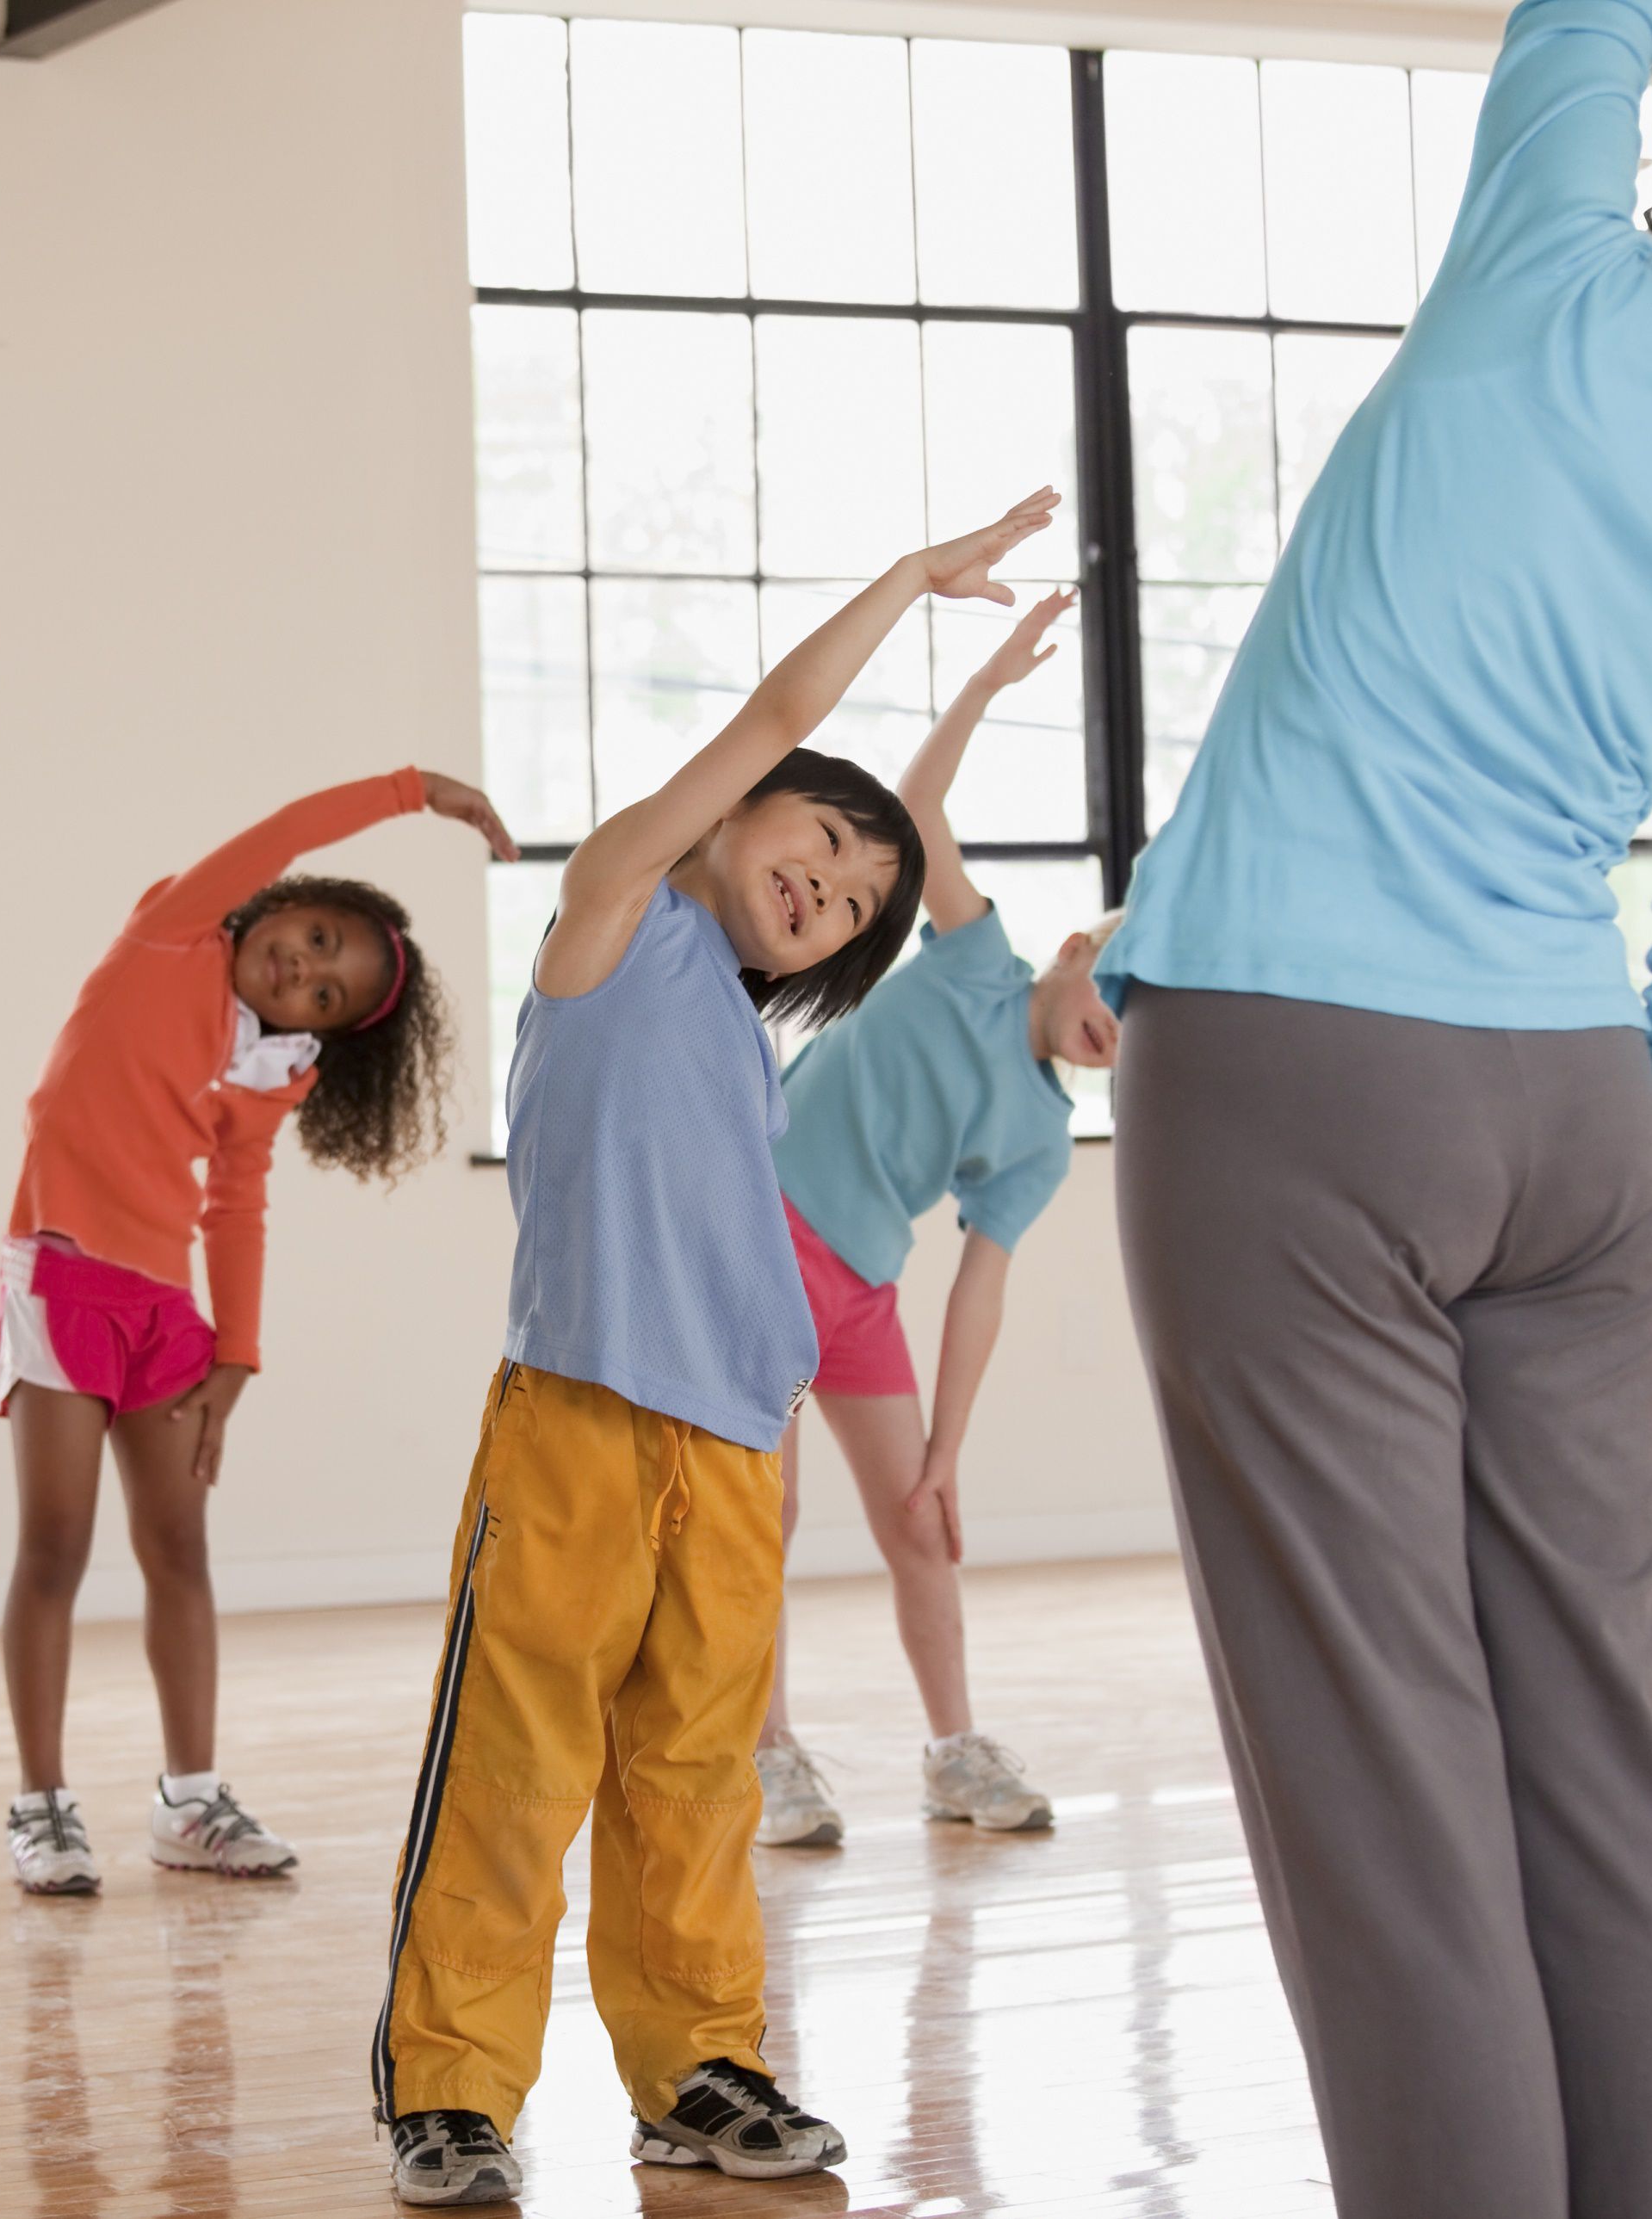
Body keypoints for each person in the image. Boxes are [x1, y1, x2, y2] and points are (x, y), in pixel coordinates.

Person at [1094, 3, 1652, 2209]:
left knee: (1383, 1777)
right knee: (1595, 1757)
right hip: (1581, 1146)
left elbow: (1587, 12)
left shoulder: (1547, 268)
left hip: (1295, 1080)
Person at [374, 490, 1060, 2208]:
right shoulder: (613, 918)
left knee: (692, 1769)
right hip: (576, 1421)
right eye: (818, 849)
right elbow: (775, 720)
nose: (823, 888)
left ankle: (696, 2061)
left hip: (732, 1443)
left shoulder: (749, 1044)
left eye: (849, 906)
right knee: (519, 1757)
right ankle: (451, 2082)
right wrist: (908, 580)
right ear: (736, 808)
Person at [0, 767, 514, 1894]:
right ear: (286, 904)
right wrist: (414, 791)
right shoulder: (170, 933)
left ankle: (189, 1801)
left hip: (161, 1313)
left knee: (177, 1551)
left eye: (325, 992)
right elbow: (282, 827)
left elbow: (235, 1203)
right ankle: (39, 1804)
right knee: (55, 1543)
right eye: (318, 936)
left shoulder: (264, 1071)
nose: (305, 970)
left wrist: (235, 1355)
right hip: (57, 1274)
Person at [749, 591, 1118, 1850]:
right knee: (768, 1513)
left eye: (1144, 1024)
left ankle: (951, 1746)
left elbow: (979, 1287)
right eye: (1114, 988)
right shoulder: (975, 956)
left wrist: (946, 1448)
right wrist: (988, 682)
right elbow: (914, 806)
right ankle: (767, 1750)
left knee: (915, 1517)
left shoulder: (1037, 1139)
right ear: (1071, 952)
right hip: (767, 1227)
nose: (1116, 1024)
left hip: (857, 1281)